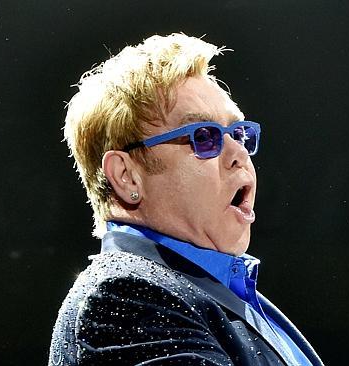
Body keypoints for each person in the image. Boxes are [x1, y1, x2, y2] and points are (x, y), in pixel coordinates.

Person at [48, 33, 324, 366]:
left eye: (238, 134)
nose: (238, 152)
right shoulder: (128, 298)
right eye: (203, 137)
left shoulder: (223, 295)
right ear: (126, 175)